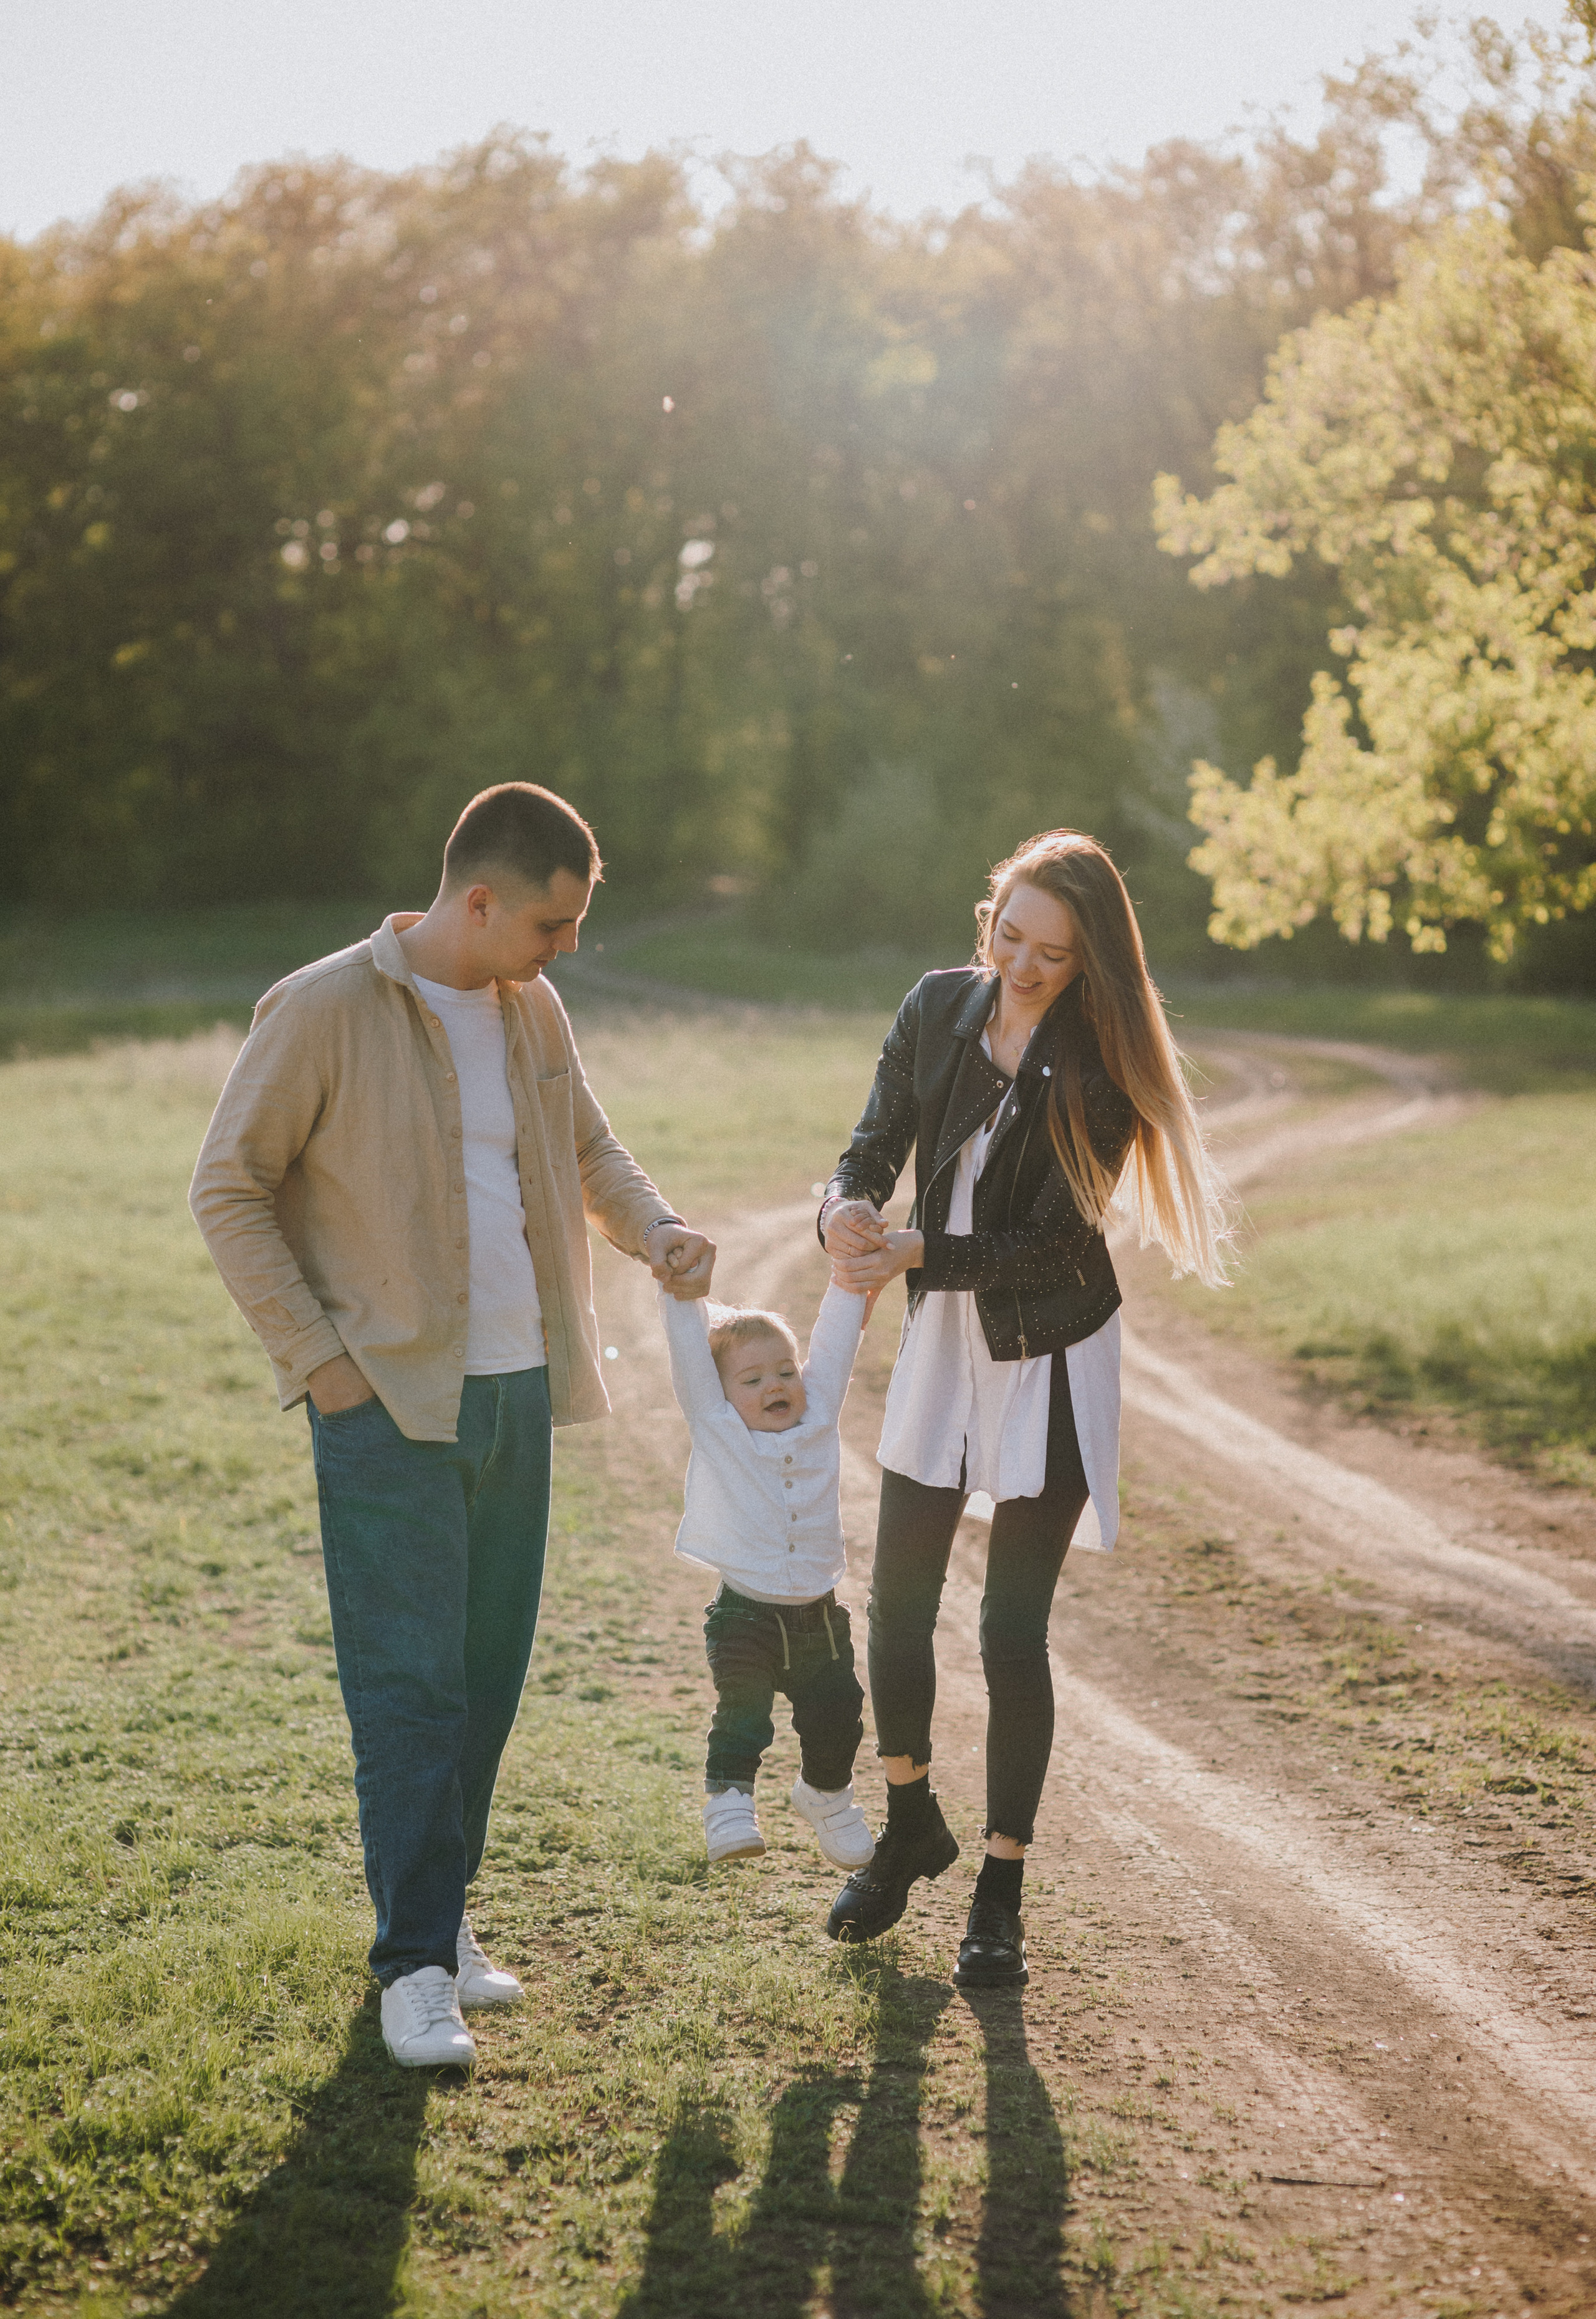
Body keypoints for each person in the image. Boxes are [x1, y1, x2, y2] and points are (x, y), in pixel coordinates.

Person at [189, 782, 716, 2068]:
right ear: (476, 901)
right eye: (552, 923)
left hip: (518, 1389)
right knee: (410, 1690)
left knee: (484, 1681)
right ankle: (411, 1968)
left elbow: (590, 1152)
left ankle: (442, 1917)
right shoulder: (321, 1009)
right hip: (386, 1407)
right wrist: (320, 1362)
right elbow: (227, 1186)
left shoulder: (529, 1007)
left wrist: (656, 1234)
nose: (569, 948)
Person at [821, 829, 1229, 1987]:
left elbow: (1052, 1241)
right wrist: (845, 1213)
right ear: (990, 913)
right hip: (948, 1337)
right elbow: (873, 1142)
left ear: (1089, 957)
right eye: (1012, 934)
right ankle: (909, 1821)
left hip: (1052, 1343)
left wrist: (914, 1250)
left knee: (1008, 1628)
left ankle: (999, 1887)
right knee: (893, 1606)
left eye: (1055, 951)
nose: (1026, 965)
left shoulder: (1101, 1062)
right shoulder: (935, 1007)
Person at [657, 1282, 875, 1871]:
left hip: (819, 1616)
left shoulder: (820, 1413)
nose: (774, 1385)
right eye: (751, 1381)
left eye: (784, 1371)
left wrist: (848, 1281)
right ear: (724, 1394)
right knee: (744, 1708)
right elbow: (689, 1361)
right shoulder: (718, 1426)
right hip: (744, 1614)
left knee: (838, 1710)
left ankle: (826, 1795)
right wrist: (677, 1289)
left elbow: (834, 1349)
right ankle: (729, 1800)